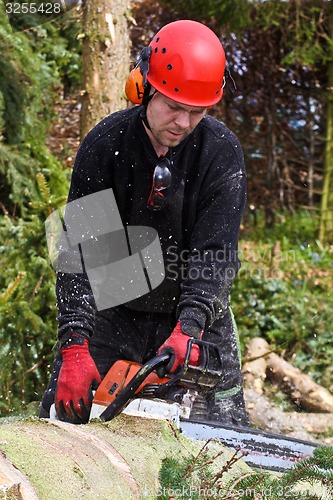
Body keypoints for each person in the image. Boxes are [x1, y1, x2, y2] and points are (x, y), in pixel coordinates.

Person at [40, 19, 250, 427]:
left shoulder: (220, 153)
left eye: (196, 111)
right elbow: (81, 254)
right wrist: (75, 345)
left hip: (194, 312)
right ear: (144, 87)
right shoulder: (106, 146)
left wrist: (190, 325)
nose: (184, 122)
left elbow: (216, 254)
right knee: (65, 419)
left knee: (219, 442)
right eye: (173, 106)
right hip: (114, 306)